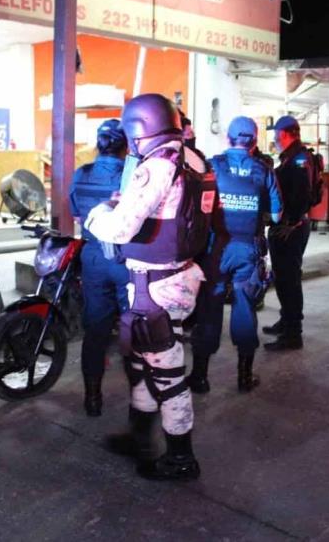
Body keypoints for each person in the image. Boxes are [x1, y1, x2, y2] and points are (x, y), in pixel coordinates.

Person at [85, 93, 214, 481]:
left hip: (156, 287)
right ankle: (138, 437)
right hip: (178, 276)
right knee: (143, 364)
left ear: (140, 129)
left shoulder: (157, 165)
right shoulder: (193, 158)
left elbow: (120, 227)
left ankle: (180, 458)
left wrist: (98, 214)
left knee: (168, 376)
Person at [188, 117, 283, 394]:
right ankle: (244, 376)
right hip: (247, 250)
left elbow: (197, 207)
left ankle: (200, 376)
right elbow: (277, 216)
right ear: (254, 143)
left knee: (209, 308)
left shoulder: (213, 166)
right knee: (244, 307)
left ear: (228, 139)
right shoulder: (264, 170)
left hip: (215, 248)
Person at [69, 119, 130, 417]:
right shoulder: (131, 176)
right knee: (134, 326)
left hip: (92, 257)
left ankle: (92, 398)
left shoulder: (81, 173)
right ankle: (140, 400)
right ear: (125, 145)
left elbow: (74, 211)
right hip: (125, 258)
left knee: (96, 330)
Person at [262, 115, 313, 351]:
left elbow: (302, 197)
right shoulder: (294, 157)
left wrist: (289, 223)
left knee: (289, 280)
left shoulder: (299, 159)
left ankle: (293, 333)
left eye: (276, 133)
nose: (274, 137)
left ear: (284, 133)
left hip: (291, 229)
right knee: (284, 279)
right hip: (291, 227)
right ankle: (287, 321)